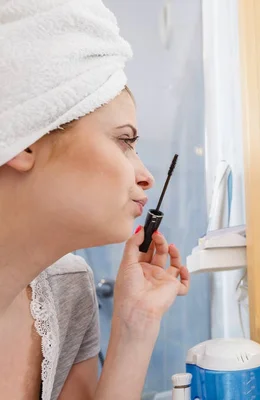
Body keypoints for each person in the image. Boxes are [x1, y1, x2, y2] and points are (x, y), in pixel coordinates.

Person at [0, 1, 190, 399]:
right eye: (124, 141)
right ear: (25, 141)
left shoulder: (68, 289)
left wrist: (135, 324)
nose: (147, 175)